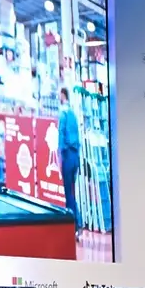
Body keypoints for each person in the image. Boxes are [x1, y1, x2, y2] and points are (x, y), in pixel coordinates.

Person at [57, 86, 83, 235]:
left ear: (63, 95)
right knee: (72, 191)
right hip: (75, 157)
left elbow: (61, 134)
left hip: (67, 156)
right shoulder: (73, 114)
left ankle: (74, 225)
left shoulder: (63, 113)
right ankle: (77, 223)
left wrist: (59, 156)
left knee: (68, 192)